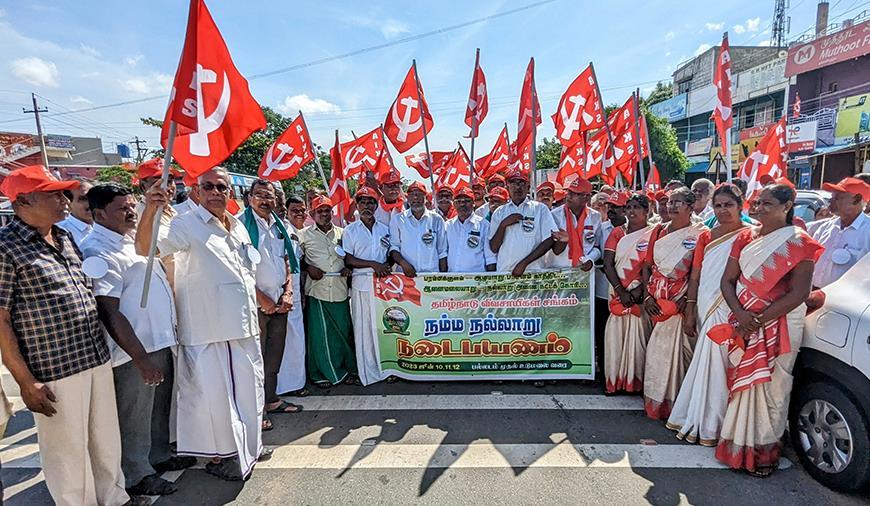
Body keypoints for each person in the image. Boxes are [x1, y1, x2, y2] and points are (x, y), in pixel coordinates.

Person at [0, 165, 130, 505]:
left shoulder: (65, 236)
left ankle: (113, 499)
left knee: (105, 441)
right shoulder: (6, 248)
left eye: (63, 193)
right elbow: (0, 321)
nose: (64, 200)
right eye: (53, 194)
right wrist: (25, 381)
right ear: (22, 202)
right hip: (53, 368)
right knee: (68, 453)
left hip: (93, 355)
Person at [137, 167, 264, 481]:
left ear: (230, 192)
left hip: (244, 327)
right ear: (196, 191)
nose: (215, 192)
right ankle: (224, 457)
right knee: (214, 404)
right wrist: (152, 208)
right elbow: (146, 250)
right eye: (207, 186)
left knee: (251, 394)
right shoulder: (185, 225)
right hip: (209, 331)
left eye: (221, 187)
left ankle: (248, 450)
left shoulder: (237, 227)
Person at [80, 184, 191, 497]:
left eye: (132, 206)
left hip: (158, 341)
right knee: (134, 416)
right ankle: (137, 474)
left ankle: (158, 456)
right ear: (98, 213)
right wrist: (140, 359)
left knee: (157, 409)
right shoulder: (97, 250)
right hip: (134, 352)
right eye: (122, 209)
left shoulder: (130, 241)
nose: (131, 213)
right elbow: (109, 311)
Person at [714, 184, 823, 476]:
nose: (759, 208)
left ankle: (764, 453)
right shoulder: (745, 238)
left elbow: (799, 293)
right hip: (744, 320)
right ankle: (737, 445)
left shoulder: (802, 244)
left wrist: (757, 320)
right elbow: (727, 281)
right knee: (743, 383)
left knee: (775, 388)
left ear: (787, 207)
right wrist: (740, 314)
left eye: (768, 203)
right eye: (758, 202)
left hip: (782, 324)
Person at [666, 183, 748, 446]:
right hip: (707, 303)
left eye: (728, 205)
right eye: (718, 205)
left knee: (728, 363)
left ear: (740, 206)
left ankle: (723, 423)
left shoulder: (750, 235)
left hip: (735, 307)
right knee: (709, 359)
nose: (723, 210)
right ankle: (703, 420)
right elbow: (696, 275)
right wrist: (690, 309)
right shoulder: (707, 237)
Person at [240, 180, 302, 432]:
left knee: (274, 356)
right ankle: (256, 411)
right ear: (249, 197)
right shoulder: (239, 225)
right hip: (255, 304)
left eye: (270, 196)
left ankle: (271, 400)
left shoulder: (279, 226)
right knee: (254, 359)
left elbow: (285, 259)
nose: (266, 200)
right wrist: (262, 299)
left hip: (280, 302)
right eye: (260, 195)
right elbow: (238, 268)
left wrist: (287, 292)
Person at [641, 187, 708, 420]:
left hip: (682, 303)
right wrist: (648, 297)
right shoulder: (658, 231)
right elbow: (647, 266)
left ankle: (678, 405)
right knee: (657, 351)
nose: (671, 206)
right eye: (670, 202)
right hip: (657, 302)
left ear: (691, 207)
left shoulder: (700, 234)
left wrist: (686, 306)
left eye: (678, 202)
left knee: (681, 354)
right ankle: (656, 402)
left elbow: (697, 275)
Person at [602, 193, 655, 393]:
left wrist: (639, 290)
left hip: (640, 295)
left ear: (647, 210)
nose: (632, 211)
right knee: (615, 336)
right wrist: (621, 291)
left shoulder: (653, 233)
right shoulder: (618, 233)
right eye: (629, 207)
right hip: (618, 294)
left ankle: (635, 383)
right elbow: (608, 264)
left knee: (638, 337)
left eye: (637, 208)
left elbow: (652, 265)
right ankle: (614, 382)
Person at [301, 195, 356, 387]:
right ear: (312, 214)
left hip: (340, 289)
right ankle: (322, 374)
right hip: (318, 290)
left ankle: (344, 369)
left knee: (342, 332)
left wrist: (349, 269)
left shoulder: (343, 233)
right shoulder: (304, 235)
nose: (324, 214)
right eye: (320, 211)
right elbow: (296, 260)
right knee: (320, 335)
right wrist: (308, 268)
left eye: (327, 210)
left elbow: (350, 257)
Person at [342, 187, 392, 385]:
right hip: (362, 285)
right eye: (362, 202)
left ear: (376, 205)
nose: (367, 206)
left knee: (381, 328)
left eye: (371, 202)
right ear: (357, 205)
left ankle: (385, 368)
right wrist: (373, 265)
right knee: (363, 330)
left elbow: (389, 254)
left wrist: (385, 265)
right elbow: (348, 258)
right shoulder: (350, 230)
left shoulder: (384, 229)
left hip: (383, 289)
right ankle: (367, 371)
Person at [488, 169, 558, 276]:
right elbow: (493, 248)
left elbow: (549, 240)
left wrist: (524, 263)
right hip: (505, 272)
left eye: (522, 183)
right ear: (507, 187)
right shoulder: (500, 212)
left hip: (534, 272)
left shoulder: (540, 209)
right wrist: (503, 225)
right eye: (514, 183)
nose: (518, 187)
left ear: (528, 187)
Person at [808, 177, 870, 289]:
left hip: (845, 301)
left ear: (856, 199)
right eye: (832, 197)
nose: (831, 201)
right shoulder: (823, 228)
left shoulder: (867, 232)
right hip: (812, 294)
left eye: (837, 197)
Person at [277, 194, 308, 396]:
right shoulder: (279, 230)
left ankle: (296, 384)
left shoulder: (300, 233)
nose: (299, 214)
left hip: (296, 292)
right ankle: (278, 386)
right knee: (280, 342)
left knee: (297, 341)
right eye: (294, 210)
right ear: (286, 212)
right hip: (279, 293)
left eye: (302, 210)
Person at [594, 191, 627, 379]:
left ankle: (624, 372)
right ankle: (605, 371)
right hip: (602, 290)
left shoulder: (637, 230)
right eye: (610, 206)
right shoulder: (602, 228)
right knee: (603, 333)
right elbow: (596, 252)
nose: (612, 210)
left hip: (630, 292)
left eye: (617, 207)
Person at [135, 159, 179, 288]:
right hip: (161, 287)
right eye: (158, 182)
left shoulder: (172, 211)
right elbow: (143, 250)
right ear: (143, 186)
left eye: (169, 181)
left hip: (182, 285)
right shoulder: (140, 213)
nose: (167, 188)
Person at [389, 182, 448, 276]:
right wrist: (404, 264)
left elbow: (442, 251)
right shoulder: (398, 219)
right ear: (407, 198)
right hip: (406, 275)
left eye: (419, 194)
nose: (415, 198)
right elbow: (394, 247)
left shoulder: (437, 219)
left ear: (425, 198)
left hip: (431, 276)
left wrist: (443, 277)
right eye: (412, 194)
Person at [548, 177, 602, 272]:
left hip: (584, 271)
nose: (569, 196)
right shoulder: (554, 215)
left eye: (574, 194)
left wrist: (590, 259)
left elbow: (596, 247)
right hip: (559, 270)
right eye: (569, 192)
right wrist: (562, 242)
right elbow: (553, 249)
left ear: (587, 197)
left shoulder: (595, 216)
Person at [446, 187, 496, 272]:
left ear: (473, 203)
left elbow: (490, 258)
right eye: (459, 201)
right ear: (454, 204)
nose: (462, 204)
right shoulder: (448, 226)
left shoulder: (484, 225)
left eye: (466, 201)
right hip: (452, 279)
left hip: (476, 279)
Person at [56, 177, 93, 246]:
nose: (91, 202)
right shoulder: (61, 231)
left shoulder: (107, 225)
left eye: (93, 197)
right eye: (83, 199)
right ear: (68, 204)